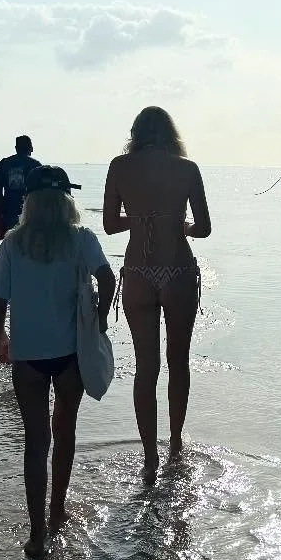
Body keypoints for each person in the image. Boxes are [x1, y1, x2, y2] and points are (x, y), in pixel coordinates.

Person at [0, 165, 116, 558]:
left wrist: (0, 337)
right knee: (65, 433)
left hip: (28, 357)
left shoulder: (13, 242)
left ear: (30, 201)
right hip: (71, 354)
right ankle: (58, 508)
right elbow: (108, 279)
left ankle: (37, 533)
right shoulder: (81, 239)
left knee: (35, 442)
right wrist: (101, 317)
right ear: (66, 201)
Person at [102, 107, 211, 485]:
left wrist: (140, 219)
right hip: (178, 269)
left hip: (137, 272)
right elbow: (205, 228)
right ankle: (176, 445)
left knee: (145, 367)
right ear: (171, 133)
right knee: (178, 361)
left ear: (135, 133)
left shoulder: (119, 166)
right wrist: (175, 223)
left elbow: (109, 224)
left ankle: (149, 457)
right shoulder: (187, 168)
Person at [0, 135, 41, 232]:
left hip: (9, 214)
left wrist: (2, 211)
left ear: (16, 148)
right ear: (30, 148)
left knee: (12, 244)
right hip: (31, 215)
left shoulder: (4, 164)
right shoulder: (36, 166)